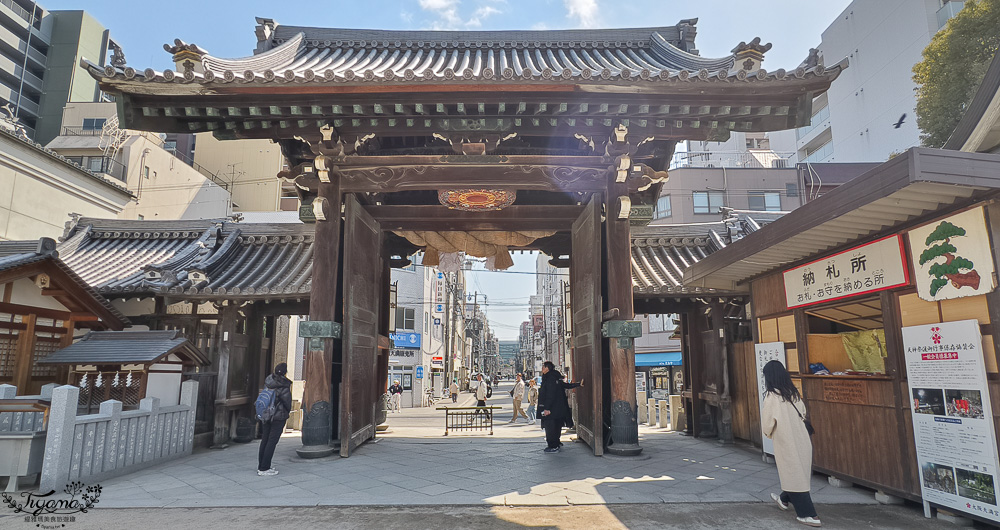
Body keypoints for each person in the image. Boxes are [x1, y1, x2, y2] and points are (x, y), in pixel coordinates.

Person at [761, 360, 821, 527]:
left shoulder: (772, 396)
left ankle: (808, 514)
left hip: (785, 439)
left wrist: (768, 433)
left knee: (793, 473)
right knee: (797, 471)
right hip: (802, 438)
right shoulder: (793, 392)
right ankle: (783, 499)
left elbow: (768, 423)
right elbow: (803, 412)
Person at [537, 361, 583, 453]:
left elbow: (550, 394)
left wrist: (547, 408)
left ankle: (553, 446)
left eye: (543, 367)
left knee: (550, 427)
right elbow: (565, 385)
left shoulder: (549, 378)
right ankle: (556, 443)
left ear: (547, 368)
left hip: (551, 409)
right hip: (559, 408)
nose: (542, 369)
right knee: (557, 426)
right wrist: (578, 384)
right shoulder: (555, 377)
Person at [258, 363, 292, 476]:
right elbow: (287, 403)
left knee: (265, 440)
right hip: (278, 415)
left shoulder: (269, 381)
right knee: (272, 441)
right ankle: (264, 468)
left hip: (266, 414)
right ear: (285, 372)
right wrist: (287, 411)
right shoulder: (283, 385)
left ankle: (261, 466)